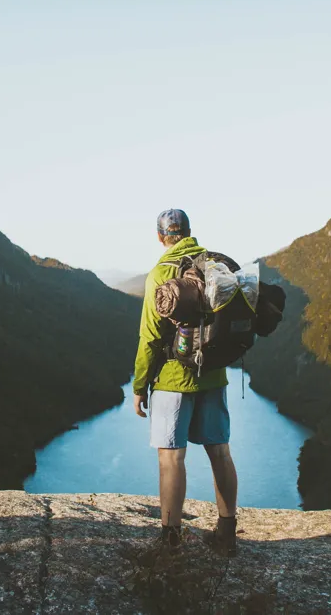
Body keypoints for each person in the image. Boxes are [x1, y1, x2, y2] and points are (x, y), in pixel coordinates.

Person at [133, 208, 239, 556]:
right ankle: (226, 532)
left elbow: (149, 337)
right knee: (220, 451)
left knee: (171, 459)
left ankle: (171, 539)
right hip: (213, 374)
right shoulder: (213, 265)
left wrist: (139, 386)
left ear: (161, 237)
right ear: (190, 232)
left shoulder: (160, 273)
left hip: (172, 380)